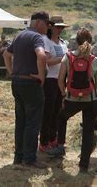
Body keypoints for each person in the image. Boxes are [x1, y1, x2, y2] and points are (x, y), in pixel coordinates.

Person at [47, 28, 97, 173]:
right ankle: (84, 164)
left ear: (76, 41)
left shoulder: (68, 57)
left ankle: (60, 147)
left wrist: (64, 94)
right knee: (88, 130)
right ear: (90, 41)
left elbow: (60, 80)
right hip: (91, 99)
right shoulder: (94, 60)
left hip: (72, 98)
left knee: (61, 117)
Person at [3, 11, 48, 169]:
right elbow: (41, 56)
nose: (47, 27)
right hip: (31, 83)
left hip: (17, 82)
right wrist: (41, 75)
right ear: (38, 23)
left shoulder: (19, 36)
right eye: (46, 23)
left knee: (20, 121)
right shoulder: (36, 37)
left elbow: (6, 54)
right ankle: (30, 158)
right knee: (32, 122)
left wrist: (11, 72)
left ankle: (19, 157)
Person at [39, 16, 68, 152]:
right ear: (51, 26)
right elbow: (47, 62)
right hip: (50, 79)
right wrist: (62, 59)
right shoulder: (45, 41)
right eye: (57, 27)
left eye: (61, 27)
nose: (60, 29)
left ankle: (53, 137)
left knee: (57, 111)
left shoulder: (62, 42)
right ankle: (44, 141)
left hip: (60, 80)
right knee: (47, 111)